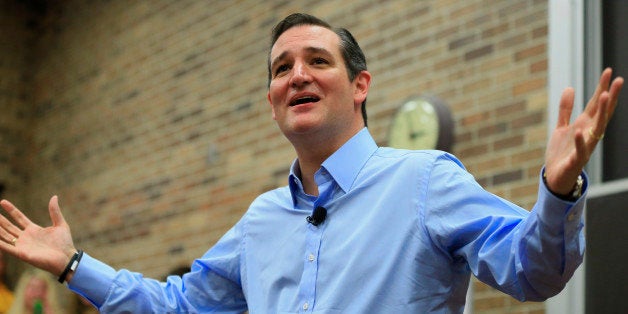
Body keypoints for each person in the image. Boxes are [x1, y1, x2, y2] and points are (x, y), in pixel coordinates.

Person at [0, 12, 624, 313]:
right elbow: (181, 306)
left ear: (360, 86)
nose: (296, 74)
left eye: (318, 61)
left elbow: (533, 274)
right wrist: (74, 265)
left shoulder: (425, 180)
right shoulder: (261, 221)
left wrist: (556, 192)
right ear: (273, 102)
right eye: (280, 69)